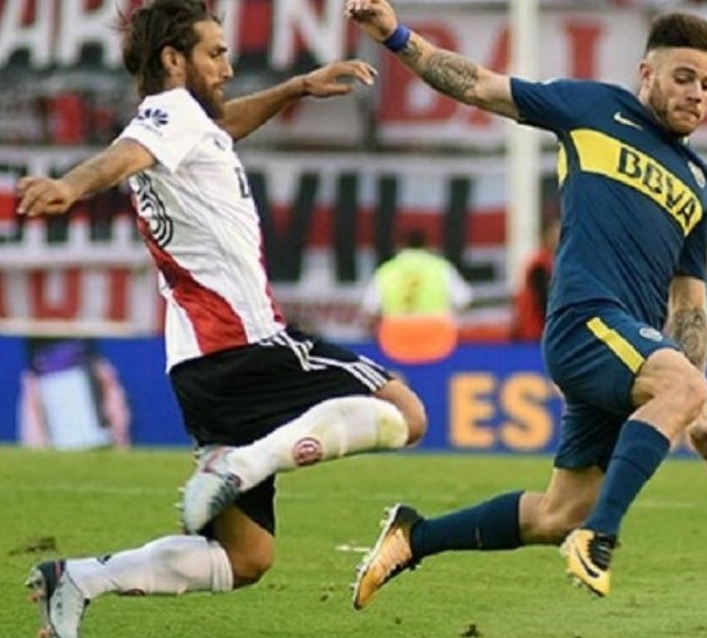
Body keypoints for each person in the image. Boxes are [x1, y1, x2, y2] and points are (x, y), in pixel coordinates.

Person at [16, 2, 426, 637]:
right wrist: (72, 186)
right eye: (215, 54)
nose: (228, 68)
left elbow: (220, 126)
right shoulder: (168, 114)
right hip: (246, 341)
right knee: (406, 414)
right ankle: (243, 464)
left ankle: (79, 580)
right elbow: (123, 155)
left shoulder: (187, 127)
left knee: (245, 557)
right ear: (172, 60)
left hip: (197, 369)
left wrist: (295, 87)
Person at [346, 0, 707, 607]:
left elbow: (690, 301)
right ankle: (600, 538)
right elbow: (478, 85)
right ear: (648, 73)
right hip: (587, 320)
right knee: (676, 394)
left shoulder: (698, 180)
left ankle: (413, 536)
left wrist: (697, 408)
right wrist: (396, 35)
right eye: (684, 77)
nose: (696, 94)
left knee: (556, 514)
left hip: (626, 348)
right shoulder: (594, 109)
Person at [359, 228, 472, 362]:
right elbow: (463, 300)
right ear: (426, 246)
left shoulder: (387, 270)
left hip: (396, 337)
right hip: (436, 336)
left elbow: (369, 308)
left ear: (401, 246)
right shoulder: (441, 268)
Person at [512, 216, 561, 341]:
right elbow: (544, 299)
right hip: (535, 330)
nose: (558, 239)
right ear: (545, 237)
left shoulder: (553, 262)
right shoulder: (539, 266)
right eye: (554, 235)